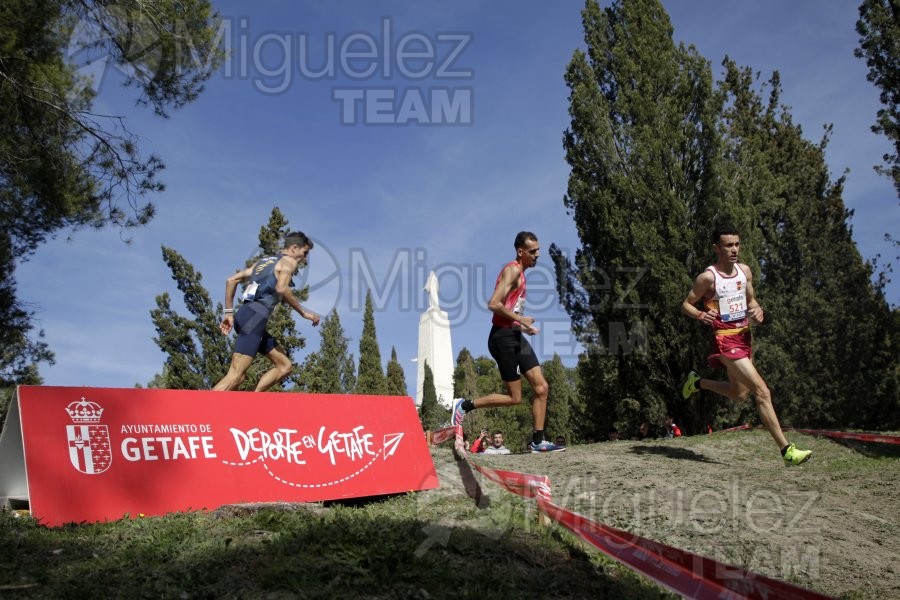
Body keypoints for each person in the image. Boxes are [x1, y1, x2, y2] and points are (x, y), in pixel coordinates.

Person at [680, 226, 812, 466]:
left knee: (739, 394)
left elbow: (751, 300)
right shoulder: (708, 278)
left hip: (744, 337)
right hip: (725, 340)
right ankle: (787, 451)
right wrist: (700, 315)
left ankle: (697, 382)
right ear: (716, 248)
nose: (734, 250)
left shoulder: (745, 272)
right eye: (729, 245)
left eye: (737, 245)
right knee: (762, 392)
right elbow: (686, 304)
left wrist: (758, 309)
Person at [451, 231, 564, 453]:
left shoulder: (521, 275)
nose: (537, 255)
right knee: (515, 398)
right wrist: (520, 319)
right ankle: (464, 405)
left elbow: (507, 310)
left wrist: (521, 326)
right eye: (533, 251)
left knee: (541, 387)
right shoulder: (512, 270)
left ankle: (538, 441)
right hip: (501, 338)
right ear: (520, 252)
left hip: (514, 334)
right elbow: (493, 303)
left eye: (538, 250)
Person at [213, 231, 321, 392]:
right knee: (235, 376)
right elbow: (281, 288)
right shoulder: (289, 261)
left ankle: (253, 401)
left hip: (247, 316)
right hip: (254, 319)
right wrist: (304, 313)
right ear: (294, 248)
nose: (305, 258)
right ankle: (198, 415)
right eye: (304, 253)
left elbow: (231, 280)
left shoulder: (263, 262)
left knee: (284, 366)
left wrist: (229, 313)